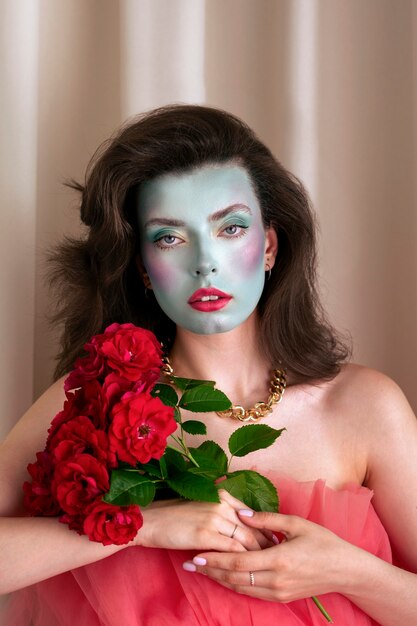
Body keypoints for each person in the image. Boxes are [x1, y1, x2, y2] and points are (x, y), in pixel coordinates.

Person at [1, 104, 416, 626]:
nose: (205, 262)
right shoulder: (93, 400)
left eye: (230, 228)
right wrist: (138, 524)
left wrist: (348, 571)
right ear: (143, 270)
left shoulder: (365, 407)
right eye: (168, 238)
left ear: (268, 245)